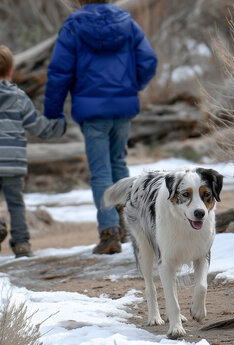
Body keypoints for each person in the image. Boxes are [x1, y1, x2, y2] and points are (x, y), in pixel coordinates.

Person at [43, 0, 158, 255]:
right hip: (122, 109)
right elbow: (148, 61)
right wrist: (130, 87)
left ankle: (109, 233)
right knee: (119, 162)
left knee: (100, 171)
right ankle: (127, 227)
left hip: (92, 112)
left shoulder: (74, 25)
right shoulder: (126, 22)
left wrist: (52, 111)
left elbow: (59, 72)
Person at [0, 45, 66, 258]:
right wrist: (58, 126)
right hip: (14, 161)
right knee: (15, 201)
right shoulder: (19, 97)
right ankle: (21, 243)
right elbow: (37, 126)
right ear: (10, 71)